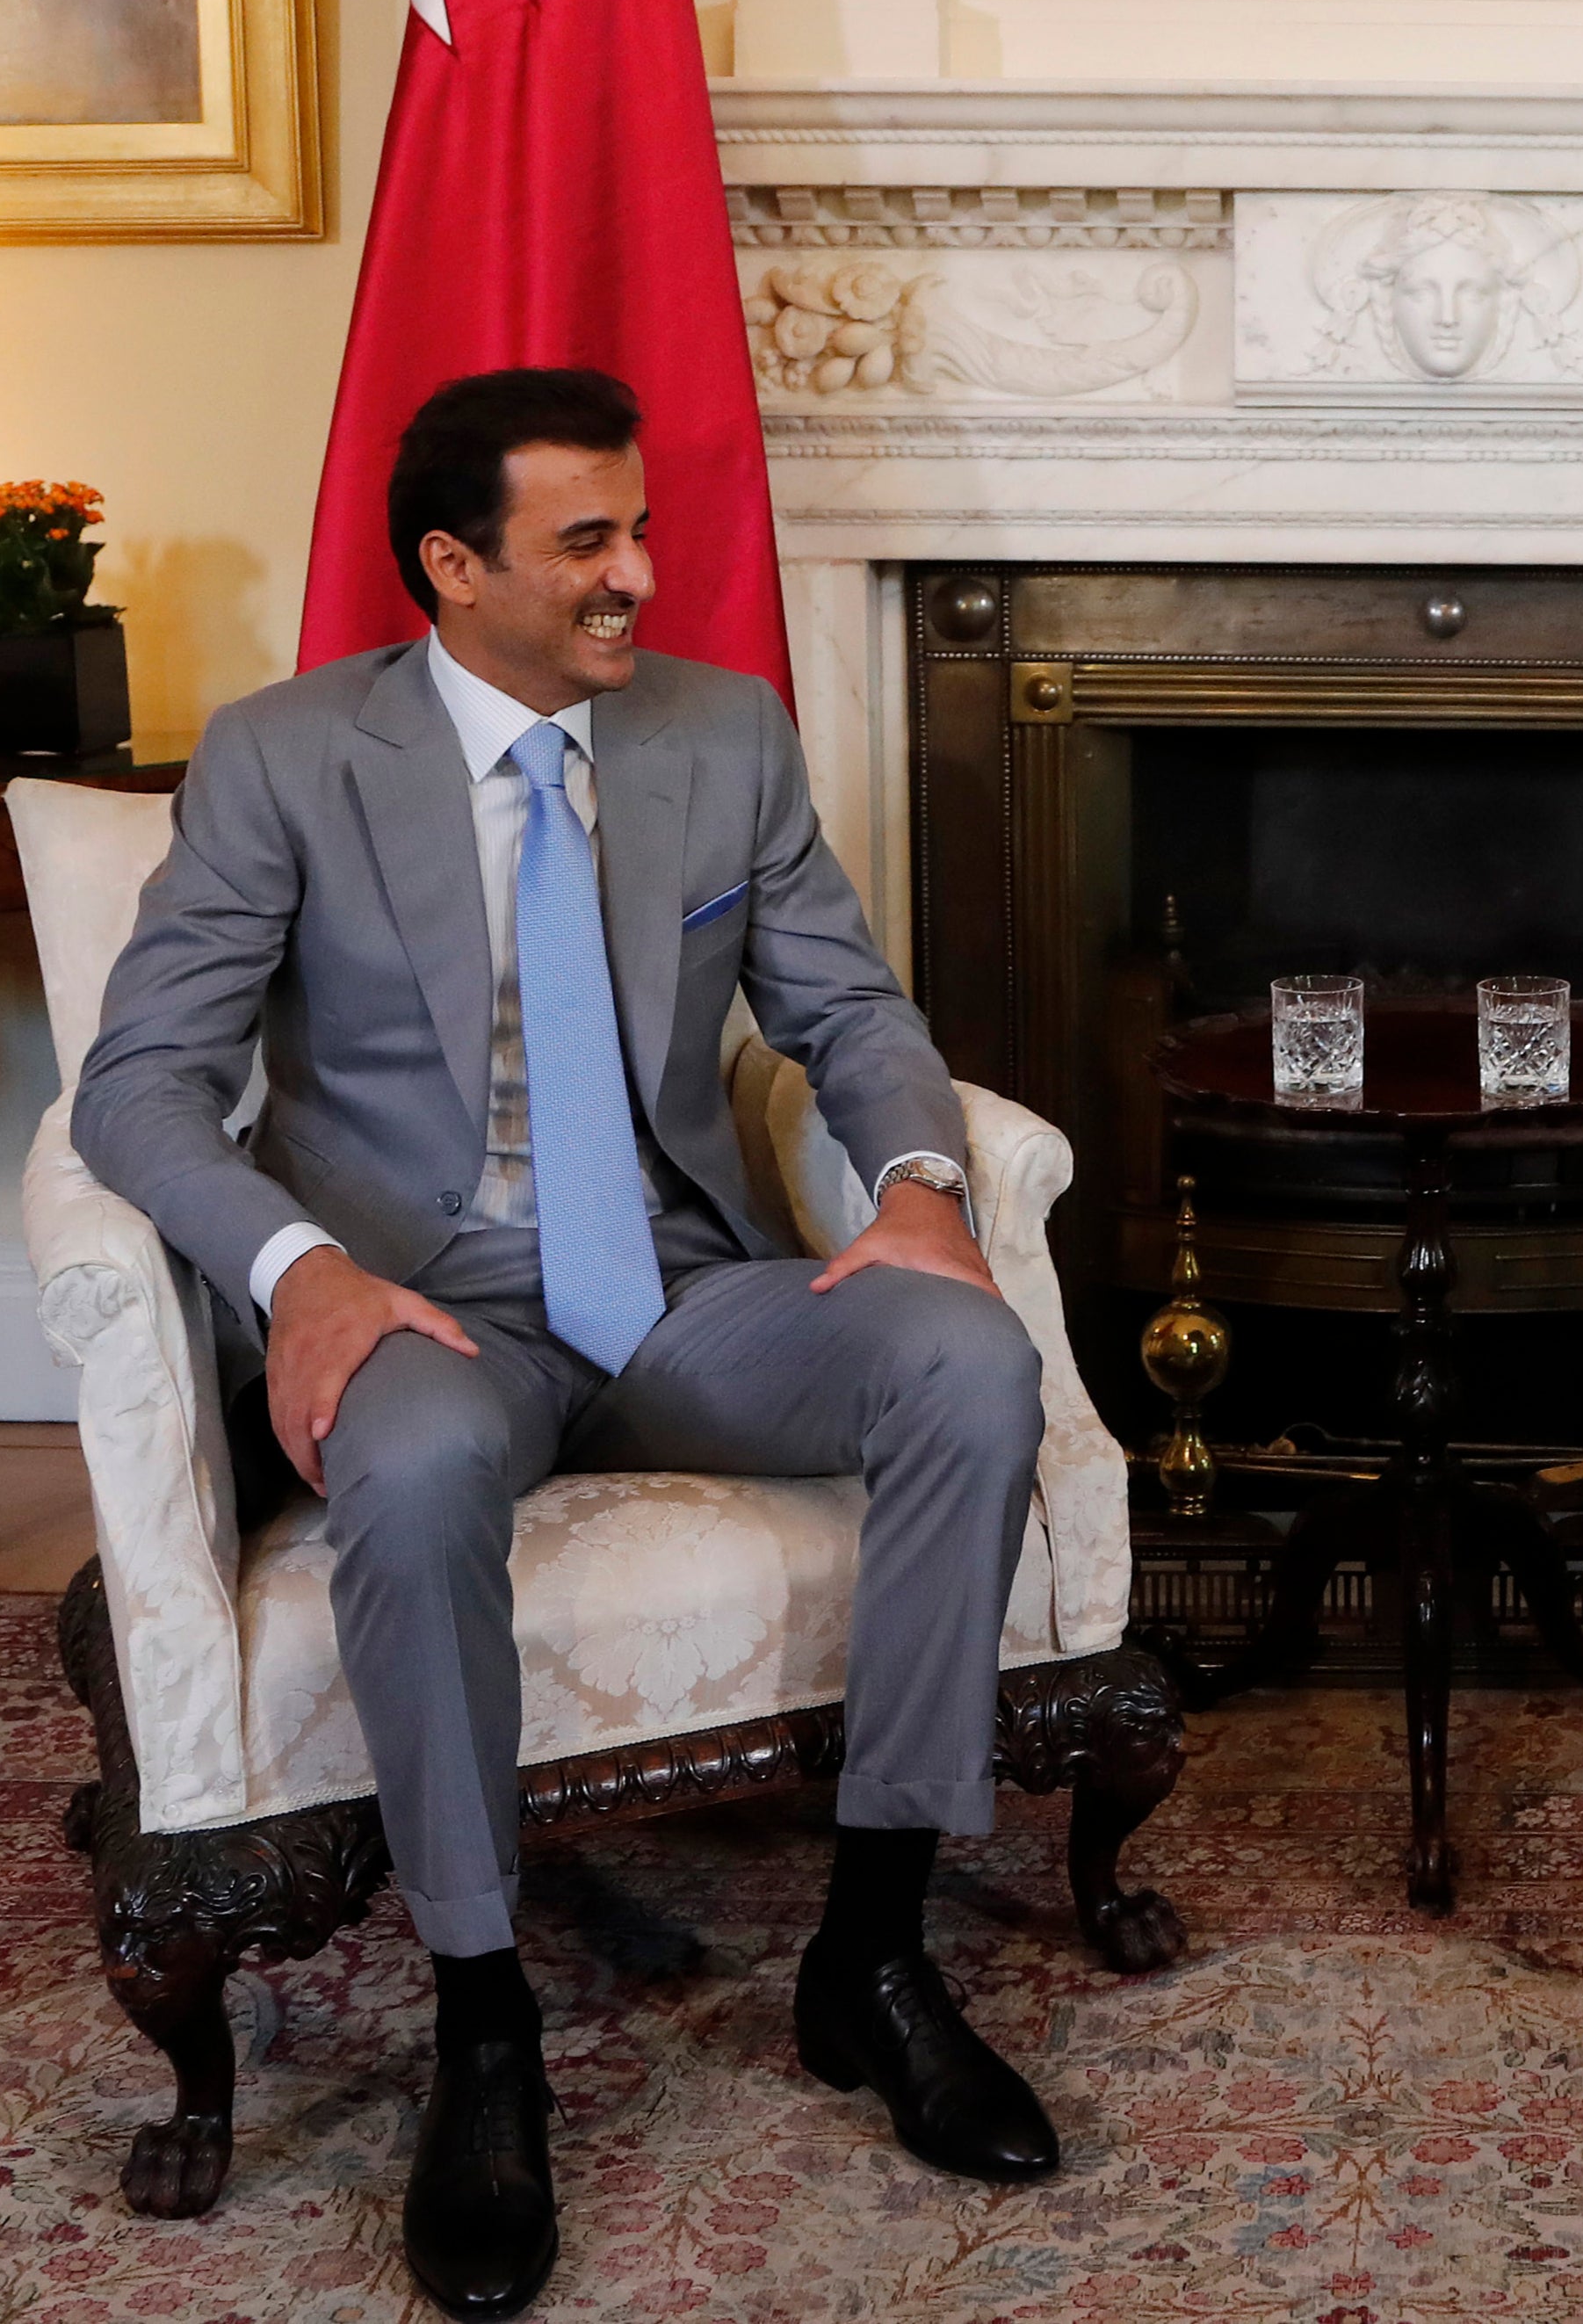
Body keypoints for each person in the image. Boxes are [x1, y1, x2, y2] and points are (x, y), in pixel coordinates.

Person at [76, 369, 1059, 2321]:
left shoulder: (722, 733)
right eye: (585, 543)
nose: (641, 574)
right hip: (431, 1304)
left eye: (640, 528)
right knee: (421, 1460)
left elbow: (847, 1010)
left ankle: (871, 1953)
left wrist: (922, 1184)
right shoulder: (285, 761)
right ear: (454, 568)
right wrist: (301, 1272)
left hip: (685, 1290)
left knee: (973, 1361)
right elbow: (136, 1093)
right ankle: (482, 2020)